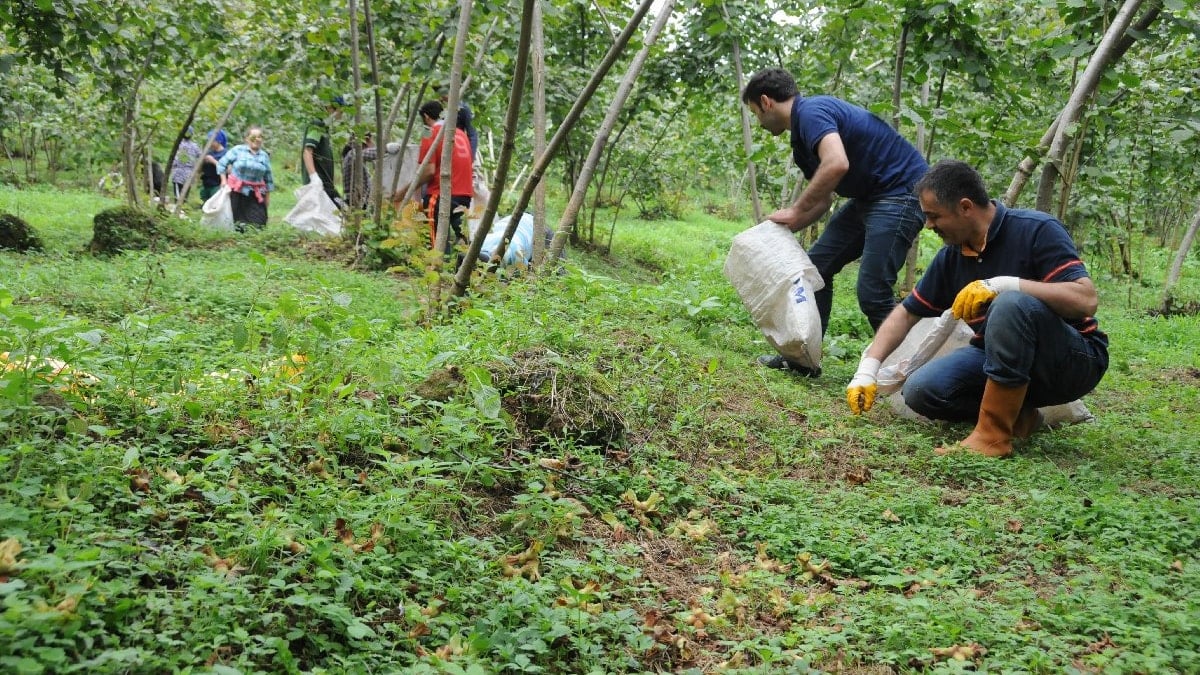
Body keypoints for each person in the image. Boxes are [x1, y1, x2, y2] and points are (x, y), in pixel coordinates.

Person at [846, 159, 1108, 458]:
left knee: (1011, 303)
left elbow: (1085, 300)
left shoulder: (1036, 230)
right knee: (921, 390)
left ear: (965, 207)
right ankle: (1021, 417)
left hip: (1071, 361)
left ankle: (992, 436)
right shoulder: (952, 257)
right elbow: (906, 313)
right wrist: (867, 370)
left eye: (934, 216)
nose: (928, 225)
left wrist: (1005, 284)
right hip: (996, 359)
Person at [741, 68, 928, 376]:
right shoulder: (801, 143)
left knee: (873, 291)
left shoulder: (812, 112)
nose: (759, 124)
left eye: (755, 114)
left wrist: (794, 208)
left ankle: (911, 375)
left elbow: (837, 163)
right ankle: (803, 360)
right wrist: (782, 228)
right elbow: (823, 200)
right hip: (868, 197)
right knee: (816, 268)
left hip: (900, 192)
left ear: (765, 102)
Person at [399, 100, 473, 256]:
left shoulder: (431, 133)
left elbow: (428, 171)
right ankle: (463, 270)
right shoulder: (460, 133)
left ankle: (437, 273)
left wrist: (405, 191)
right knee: (461, 237)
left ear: (426, 117)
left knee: (437, 243)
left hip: (441, 195)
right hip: (465, 195)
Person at [217, 126, 274, 231]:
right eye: (253, 137)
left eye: (259, 137)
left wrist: (267, 197)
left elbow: (268, 178)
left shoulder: (264, 156)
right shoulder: (238, 150)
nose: (257, 139)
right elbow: (221, 164)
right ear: (247, 139)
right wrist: (223, 180)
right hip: (237, 191)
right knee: (237, 223)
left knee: (259, 223)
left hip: (256, 194)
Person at [302, 96, 345, 208]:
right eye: (341, 111)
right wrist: (314, 177)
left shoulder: (324, 127)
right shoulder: (317, 124)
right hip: (320, 184)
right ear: (331, 108)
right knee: (343, 210)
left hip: (326, 184)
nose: (341, 115)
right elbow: (307, 151)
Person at [439, 88, 479, 160]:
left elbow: (472, 134)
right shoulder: (438, 106)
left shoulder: (463, 108)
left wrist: (470, 157)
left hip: (457, 149)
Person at [341, 132, 375, 210]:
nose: (372, 143)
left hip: (361, 203)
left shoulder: (358, 161)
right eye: (370, 141)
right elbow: (371, 154)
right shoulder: (352, 155)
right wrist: (385, 149)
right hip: (355, 204)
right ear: (364, 141)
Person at [170, 126, 202, 203]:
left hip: (178, 173)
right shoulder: (195, 146)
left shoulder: (178, 144)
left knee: (177, 197)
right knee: (185, 197)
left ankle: (178, 211)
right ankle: (183, 209)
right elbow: (201, 155)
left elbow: (173, 158)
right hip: (189, 174)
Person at [198, 130, 228, 204]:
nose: (210, 143)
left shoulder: (226, 154)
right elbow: (199, 170)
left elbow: (228, 170)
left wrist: (213, 161)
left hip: (217, 185)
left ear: (219, 141)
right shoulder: (208, 153)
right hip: (206, 184)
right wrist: (202, 161)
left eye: (212, 140)